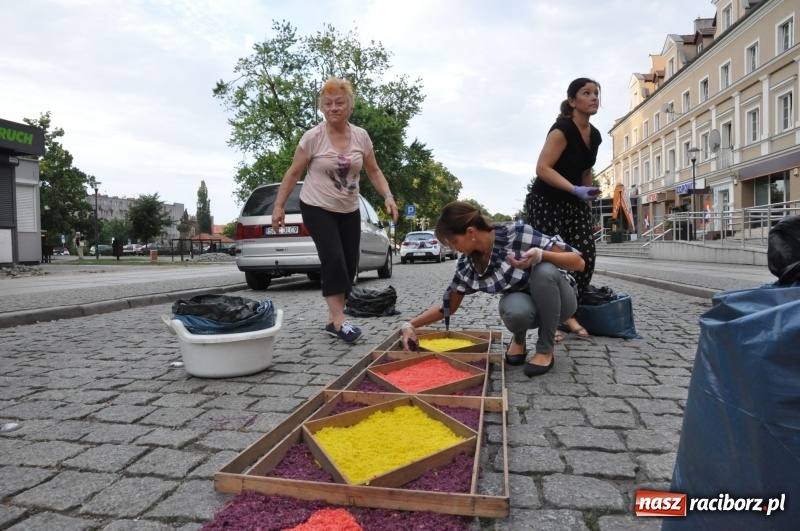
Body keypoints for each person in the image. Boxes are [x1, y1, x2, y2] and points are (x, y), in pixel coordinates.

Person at [271, 76, 399, 343]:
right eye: (327, 103)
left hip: (349, 208)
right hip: (317, 205)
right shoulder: (313, 138)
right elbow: (293, 173)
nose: (333, 108)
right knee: (333, 259)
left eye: (339, 102)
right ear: (321, 107)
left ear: (350, 106)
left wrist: (387, 196)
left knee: (349, 264)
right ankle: (340, 321)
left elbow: (374, 171)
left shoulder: (361, 137)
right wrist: (279, 206)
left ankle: (332, 319)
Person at [400, 202, 585, 377]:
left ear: (470, 232)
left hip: (561, 302)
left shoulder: (517, 234)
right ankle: (519, 340)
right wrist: (410, 325)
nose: (454, 248)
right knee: (515, 310)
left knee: (544, 270)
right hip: (528, 306)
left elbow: (579, 263)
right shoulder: (469, 264)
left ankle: (545, 349)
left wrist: (541, 255)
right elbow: (448, 306)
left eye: (454, 242)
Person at [524, 77, 602, 340]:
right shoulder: (561, 130)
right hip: (547, 201)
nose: (594, 97)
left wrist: (587, 201)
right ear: (572, 101)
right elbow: (542, 168)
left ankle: (568, 309)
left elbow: (585, 170)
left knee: (585, 258)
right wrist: (573, 189)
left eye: (596, 93)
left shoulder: (595, 135)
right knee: (550, 259)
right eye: (586, 93)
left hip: (574, 203)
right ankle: (557, 317)